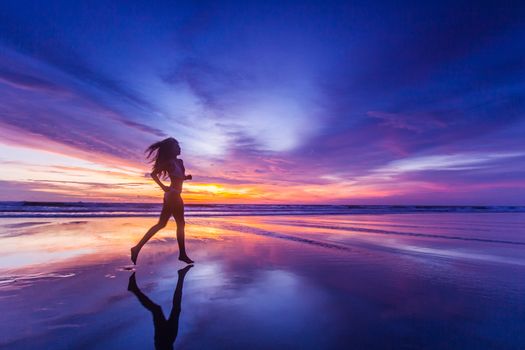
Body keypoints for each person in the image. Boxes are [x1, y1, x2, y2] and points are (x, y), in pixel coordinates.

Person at [131, 137, 194, 264]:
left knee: (165, 224)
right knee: (176, 224)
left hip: (176, 195)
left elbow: (179, 178)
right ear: (171, 149)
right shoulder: (169, 162)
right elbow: (153, 174)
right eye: (177, 146)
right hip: (172, 196)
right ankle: (181, 254)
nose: (179, 148)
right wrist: (163, 187)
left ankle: (137, 248)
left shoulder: (180, 162)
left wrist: (186, 178)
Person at [127, 265, 192, 350]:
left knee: (157, 310)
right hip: (168, 341)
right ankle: (181, 275)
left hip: (163, 342)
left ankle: (134, 289)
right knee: (174, 309)